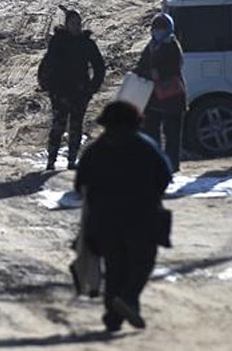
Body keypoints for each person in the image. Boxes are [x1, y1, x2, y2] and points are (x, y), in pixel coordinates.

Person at [75, 101, 173, 333]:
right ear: (135, 122)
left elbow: (81, 185)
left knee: (115, 267)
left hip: (105, 221)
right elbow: (165, 176)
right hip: (143, 217)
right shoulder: (146, 146)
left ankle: (113, 317)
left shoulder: (95, 150)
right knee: (142, 263)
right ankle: (128, 300)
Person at [37, 6, 105, 170]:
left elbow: (99, 66)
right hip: (60, 92)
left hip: (80, 93)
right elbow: (48, 63)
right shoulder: (58, 42)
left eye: (78, 23)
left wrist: (92, 87)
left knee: (76, 127)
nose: (76, 26)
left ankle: (72, 161)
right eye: (73, 23)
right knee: (58, 126)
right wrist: (45, 83)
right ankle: (51, 161)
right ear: (66, 24)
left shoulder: (87, 43)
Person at [133, 13, 186, 172]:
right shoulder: (151, 46)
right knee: (150, 132)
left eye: (161, 28)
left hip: (172, 97)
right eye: (155, 28)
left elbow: (173, 68)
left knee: (172, 134)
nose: (158, 31)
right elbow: (142, 65)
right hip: (153, 98)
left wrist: (156, 73)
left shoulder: (172, 45)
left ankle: (172, 165)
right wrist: (141, 73)